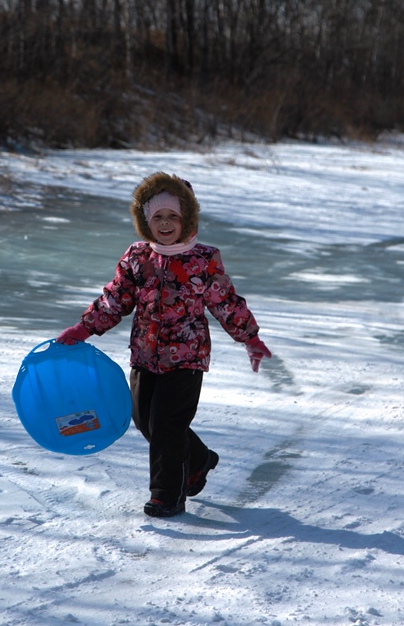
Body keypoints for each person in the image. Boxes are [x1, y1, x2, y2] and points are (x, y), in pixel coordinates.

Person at [56, 172, 271, 518]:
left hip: (187, 358)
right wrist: (82, 329)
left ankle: (167, 495)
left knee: (168, 425)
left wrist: (250, 338)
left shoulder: (203, 260)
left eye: (173, 216)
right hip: (144, 355)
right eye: (158, 217)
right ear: (146, 221)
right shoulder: (138, 257)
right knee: (145, 420)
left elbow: (226, 303)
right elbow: (116, 300)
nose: (166, 223)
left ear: (187, 219)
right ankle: (199, 459)